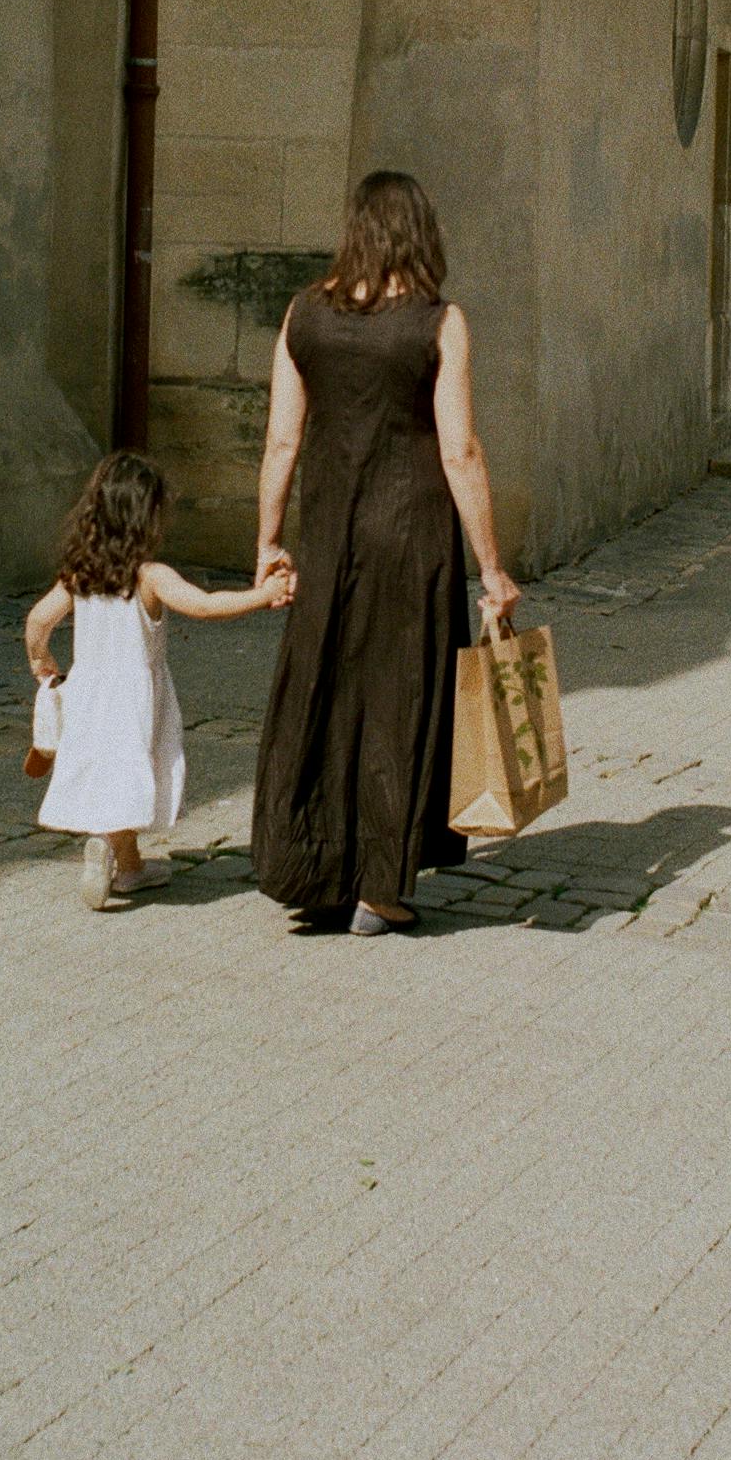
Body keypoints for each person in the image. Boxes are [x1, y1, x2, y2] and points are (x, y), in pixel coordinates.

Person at [250, 170, 521, 935]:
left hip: (331, 538)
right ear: (419, 233)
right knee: (401, 699)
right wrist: (492, 568)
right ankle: (381, 887)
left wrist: (268, 541)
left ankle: (315, 870)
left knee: (325, 692)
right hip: (414, 540)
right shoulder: (438, 322)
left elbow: (280, 440)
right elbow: (460, 451)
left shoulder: (303, 315)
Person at [27, 450, 294, 910]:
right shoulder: (150, 576)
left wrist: (41, 658)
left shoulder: (80, 574)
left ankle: (126, 865)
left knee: (109, 777)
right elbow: (205, 605)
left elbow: (38, 619)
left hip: (90, 695)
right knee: (130, 776)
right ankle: (112, 850)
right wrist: (262, 596)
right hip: (134, 699)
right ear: (146, 520)